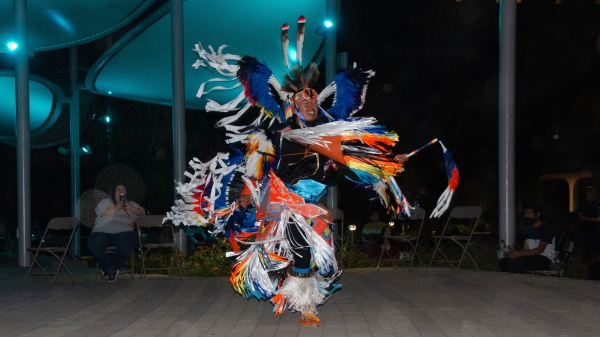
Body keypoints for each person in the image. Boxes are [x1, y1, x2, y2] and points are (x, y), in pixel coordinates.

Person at [88, 184, 144, 282]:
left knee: (131, 239)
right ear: (114, 192)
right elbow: (100, 212)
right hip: (102, 230)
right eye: (119, 188)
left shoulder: (130, 203)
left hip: (123, 232)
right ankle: (110, 269)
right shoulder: (105, 202)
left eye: (124, 189)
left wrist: (131, 209)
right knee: (93, 242)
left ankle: (112, 268)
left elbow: (142, 213)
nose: (121, 190)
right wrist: (116, 208)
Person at [499, 204, 555, 273]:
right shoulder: (528, 229)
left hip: (545, 258)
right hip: (531, 257)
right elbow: (526, 248)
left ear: (537, 214)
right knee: (504, 262)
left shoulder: (546, 228)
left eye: (529, 213)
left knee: (515, 263)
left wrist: (520, 254)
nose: (527, 215)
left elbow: (540, 250)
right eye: (525, 213)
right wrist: (515, 253)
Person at [577, 186, 600, 262]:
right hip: (585, 230)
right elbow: (580, 216)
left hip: (594, 229)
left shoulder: (594, 204)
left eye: (595, 193)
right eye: (592, 193)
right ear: (587, 193)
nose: (594, 195)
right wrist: (591, 220)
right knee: (587, 250)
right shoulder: (582, 203)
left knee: (595, 249)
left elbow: (596, 214)